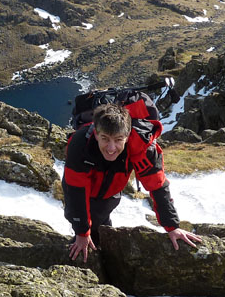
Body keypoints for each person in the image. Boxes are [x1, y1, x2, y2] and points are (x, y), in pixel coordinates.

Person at [62, 101, 202, 262]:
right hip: (81, 187)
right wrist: (81, 233)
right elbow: (76, 191)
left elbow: (157, 186)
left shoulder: (143, 147)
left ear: (128, 137)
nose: (111, 148)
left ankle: (100, 238)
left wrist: (172, 227)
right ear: (95, 134)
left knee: (101, 218)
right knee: (76, 217)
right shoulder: (80, 144)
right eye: (105, 138)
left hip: (112, 190)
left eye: (118, 139)